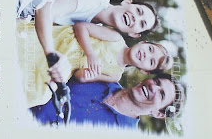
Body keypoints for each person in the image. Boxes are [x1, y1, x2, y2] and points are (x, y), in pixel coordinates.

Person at [16, 0, 160, 82]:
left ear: (134, 34)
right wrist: (50, 53)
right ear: (127, 2)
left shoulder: (96, 25)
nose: (135, 18)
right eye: (139, 11)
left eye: (142, 23)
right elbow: (44, 8)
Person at [16, 21, 175, 107]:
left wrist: (86, 75)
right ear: (143, 42)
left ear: (146, 71)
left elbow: (78, 76)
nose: (146, 54)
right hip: (64, 42)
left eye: (151, 61)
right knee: (28, 50)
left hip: (67, 67)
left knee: (41, 95)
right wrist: (90, 53)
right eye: (150, 49)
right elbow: (81, 27)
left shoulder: (115, 75)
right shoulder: (116, 39)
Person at [30, 74, 184, 129]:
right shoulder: (103, 76)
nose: (153, 87)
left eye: (161, 94)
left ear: (158, 113)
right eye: (156, 81)